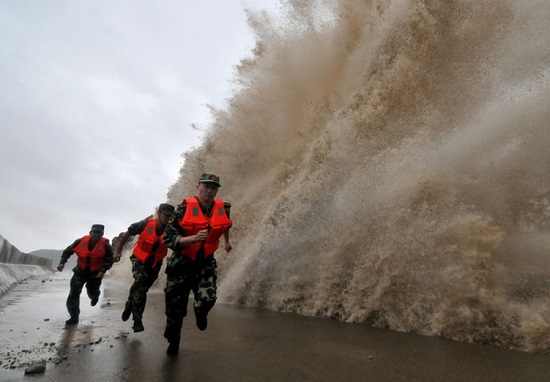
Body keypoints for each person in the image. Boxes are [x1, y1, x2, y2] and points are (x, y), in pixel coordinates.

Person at [162, 173, 233, 356]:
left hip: (205, 262)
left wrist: (227, 242)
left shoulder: (223, 208)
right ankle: (173, 340)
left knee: (208, 299)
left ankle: (201, 313)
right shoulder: (183, 209)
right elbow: (168, 238)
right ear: (197, 187)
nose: (209, 191)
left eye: (213, 188)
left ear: (217, 190)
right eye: (206, 187)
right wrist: (192, 238)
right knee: (175, 311)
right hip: (181, 263)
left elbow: (225, 226)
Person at [114, 203, 175, 333]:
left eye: (170, 216)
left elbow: (176, 243)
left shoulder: (171, 229)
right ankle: (137, 321)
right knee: (140, 284)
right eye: (166, 215)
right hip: (139, 259)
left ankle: (130, 303)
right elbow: (128, 233)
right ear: (159, 214)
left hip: (155, 263)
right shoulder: (145, 224)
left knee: (142, 288)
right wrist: (118, 251)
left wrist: (173, 256)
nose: (168, 219)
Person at [57, 224, 114, 325]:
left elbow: (109, 259)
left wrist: (102, 271)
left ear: (102, 234)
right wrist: (62, 262)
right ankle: (74, 317)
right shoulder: (79, 241)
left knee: (92, 291)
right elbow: (68, 251)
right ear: (90, 232)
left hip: (96, 273)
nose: (96, 235)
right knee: (73, 294)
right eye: (94, 232)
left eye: (99, 233)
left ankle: (95, 296)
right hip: (80, 272)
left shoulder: (105, 245)